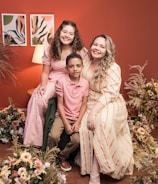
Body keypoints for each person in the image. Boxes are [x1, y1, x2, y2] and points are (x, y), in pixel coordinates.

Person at [23, 20, 88, 147]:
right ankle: (34, 141)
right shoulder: (50, 48)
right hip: (54, 81)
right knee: (37, 99)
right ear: (59, 32)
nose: (67, 35)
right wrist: (42, 85)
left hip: (71, 81)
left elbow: (84, 71)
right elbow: (45, 72)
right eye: (65, 32)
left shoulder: (80, 51)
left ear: (75, 36)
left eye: (71, 33)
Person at [79, 34, 134, 184]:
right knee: (85, 129)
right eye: (95, 45)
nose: (97, 48)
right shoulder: (85, 62)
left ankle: (97, 171)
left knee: (101, 123)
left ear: (107, 50)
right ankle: (89, 165)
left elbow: (110, 93)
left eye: (102, 46)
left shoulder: (113, 67)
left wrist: (94, 112)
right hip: (89, 101)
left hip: (109, 102)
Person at [48, 52, 89, 172]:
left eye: (78, 66)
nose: (75, 69)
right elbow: (60, 104)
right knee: (54, 135)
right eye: (71, 66)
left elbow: (84, 105)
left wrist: (78, 122)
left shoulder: (85, 83)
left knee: (77, 139)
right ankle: (49, 157)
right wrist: (66, 123)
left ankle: (62, 157)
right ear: (66, 68)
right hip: (62, 116)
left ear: (82, 66)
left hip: (77, 117)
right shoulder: (61, 81)